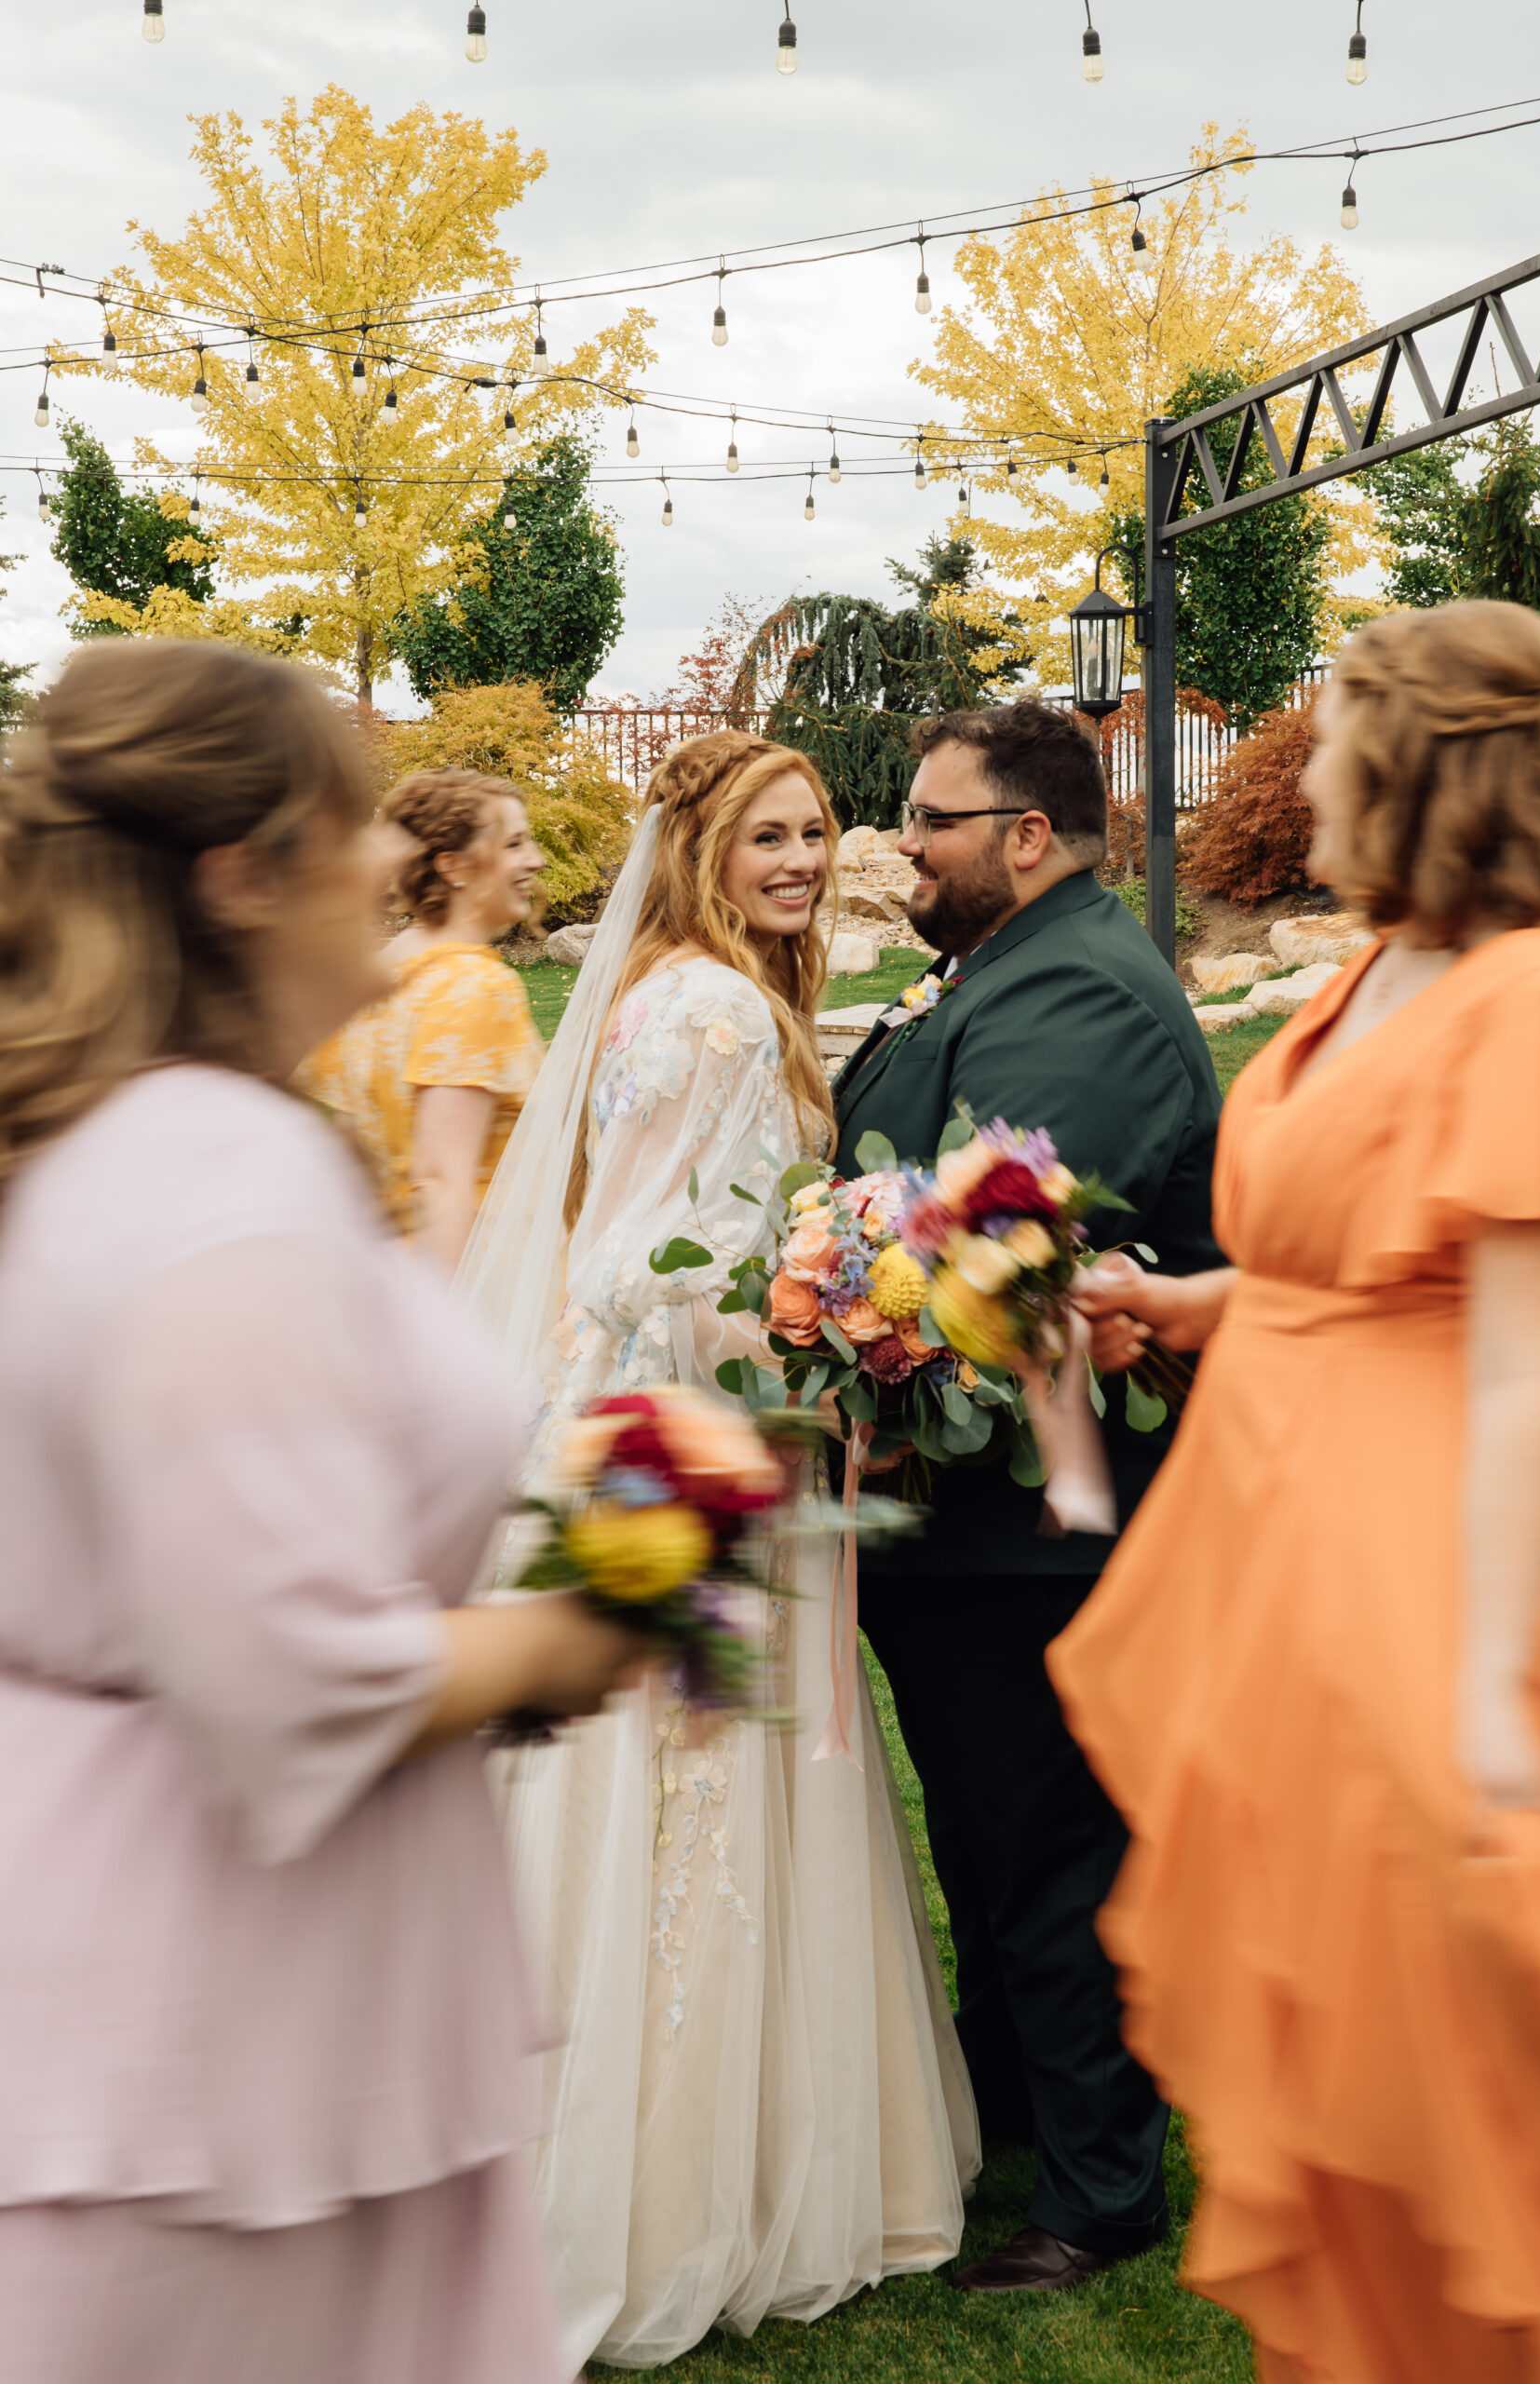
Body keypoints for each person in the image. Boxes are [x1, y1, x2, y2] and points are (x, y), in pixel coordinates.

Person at [0, 640, 638, 2384]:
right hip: (213, 2035)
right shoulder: (207, 1172)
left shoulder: (95, 1137)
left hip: (201, 1982)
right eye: (353, 817)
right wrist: (578, 1630)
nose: (391, 859)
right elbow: (281, 1662)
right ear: (242, 872)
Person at [1052, 600, 1540, 2383]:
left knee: (1447, 2071)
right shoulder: (1367, 968)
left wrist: (1488, 1695)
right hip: (1274, 1548)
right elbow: (1344, 1267)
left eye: (1339, 741)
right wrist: (1185, 1304)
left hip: (1424, 1579)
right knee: (1332, 2026)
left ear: (1428, 767)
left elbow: (1526, 1363)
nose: (1304, 776)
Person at [459, 730, 979, 2371]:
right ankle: (663, 2200)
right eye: (767, 836)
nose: (802, 861)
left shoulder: (671, 992)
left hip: (636, 1425)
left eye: (816, 833)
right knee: (683, 1791)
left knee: (637, 1786)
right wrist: (807, 1332)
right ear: (697, 850)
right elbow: (644, 1261)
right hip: (686, 1438)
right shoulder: (713, 1008)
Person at [830, 698, 1223, 2296]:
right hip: (962, 1510)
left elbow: (992, 1224)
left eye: (927, 818)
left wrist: (836, 1274)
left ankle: (1100, 2193)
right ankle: (1009, 2120)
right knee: (994, 1849)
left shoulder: (1084, 992)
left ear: (1026, 836)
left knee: (1052, 1851)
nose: (899, 843)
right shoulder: (1001, 962)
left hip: (1038, 1518)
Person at [302, 768, 544, 1273]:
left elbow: (350, 1153)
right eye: (514, 843)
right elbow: (439, 1178)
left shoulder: (379, 980)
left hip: (384, 1272)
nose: (534, 860)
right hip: (474, 1272)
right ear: (453, 866)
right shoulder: (474, 985)